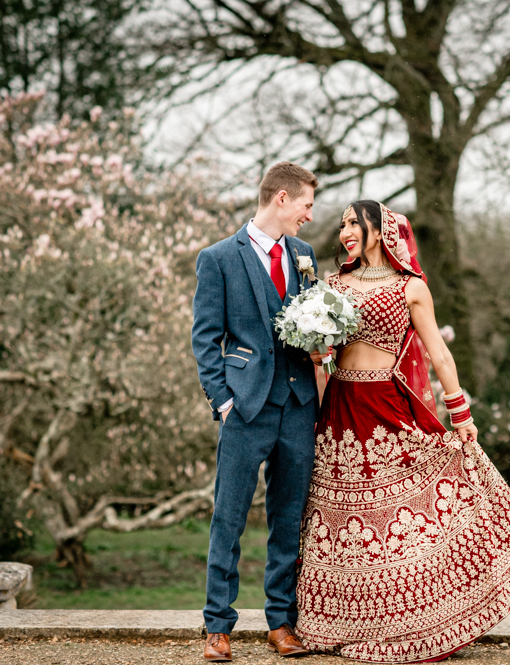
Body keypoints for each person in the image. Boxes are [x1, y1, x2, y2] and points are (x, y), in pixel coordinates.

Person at [294, 201, 510, 662]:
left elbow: (440, 356)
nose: (346, 231)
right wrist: (316, 348)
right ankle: (345, 622)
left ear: (380, 230)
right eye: (342, 225)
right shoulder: (330, 286)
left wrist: (461, 413)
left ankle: (417, 621)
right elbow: (322, 354)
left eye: (355, 223)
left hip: (386, 406)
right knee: (344, 519)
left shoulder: (411, 288)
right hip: (339, 408)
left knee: (397, 517)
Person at [192, 162, 328, 662]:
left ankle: (281, 623)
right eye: (307, 205)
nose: (309, 217)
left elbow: (312, 321)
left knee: (287, 518)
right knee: (228, 516)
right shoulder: (218, 258)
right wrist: (223, 402)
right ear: (282, 200)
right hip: (245, 407)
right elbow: (205, 339)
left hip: (297, 407)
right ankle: (218, 627)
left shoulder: (305, 255)